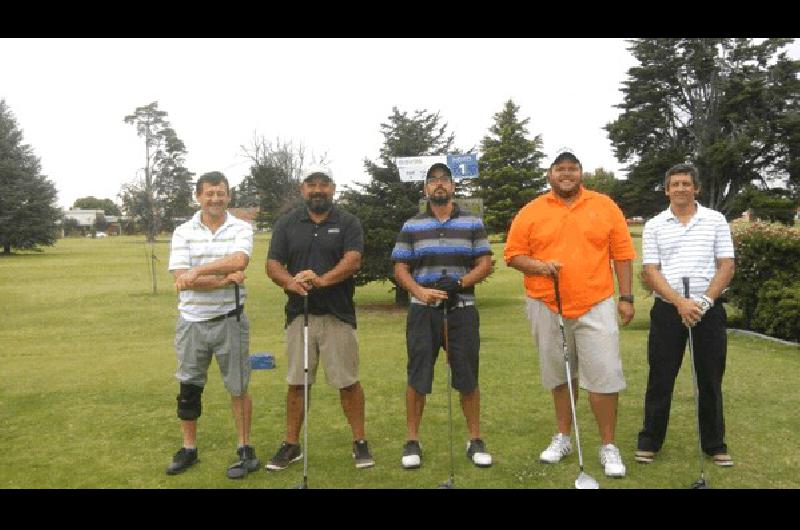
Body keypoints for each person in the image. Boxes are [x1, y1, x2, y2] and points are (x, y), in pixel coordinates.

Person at [504, 150, 636, 478]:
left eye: (572, 169)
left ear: (581, 173)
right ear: (550, 175)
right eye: (560, 169)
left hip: (596, 302)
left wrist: (627, 297)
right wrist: (538, 266)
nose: (567, 174)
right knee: (560, 374)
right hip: (547, 304)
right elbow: (513, 254)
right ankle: (563, 436)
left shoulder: (604, 205)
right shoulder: (531, 211)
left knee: (604, 375)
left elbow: (622, 253)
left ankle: (608, 445)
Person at [264, 164, 374, 470]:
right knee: (297, 383)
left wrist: (321, 281)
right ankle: (291, 444)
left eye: (323, 185)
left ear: (333, 189)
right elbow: (273, 263)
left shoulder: (347, 222)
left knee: (348, 382)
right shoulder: (288, 223)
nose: (317, 190)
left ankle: (360, 442)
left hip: (337, 314)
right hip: (300, 314)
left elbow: (353, 260)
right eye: (311, 185)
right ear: (303, 190)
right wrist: (291, 283)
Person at [391, 162, 494, 470]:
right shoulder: (411, 226)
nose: (439, 184)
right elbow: (400, 268)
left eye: (444, 180)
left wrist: (461, 283)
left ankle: (474, 439)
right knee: (418, 374)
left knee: (467, 376)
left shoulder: (472, 223)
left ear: (453, 187)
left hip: (461, 311)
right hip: (424, 312)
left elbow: (485, 263)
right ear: (425, 189)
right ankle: (412, 440)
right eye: (433, 180)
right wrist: (419, 292)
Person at [635, 163, 736, 467]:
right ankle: (650, 441)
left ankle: (715, 444)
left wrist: (703, 302)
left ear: (697, 188)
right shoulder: (654, 225)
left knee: (709, 379)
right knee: (660, 378)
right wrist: (680, 302)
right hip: (668, 310)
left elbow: (727, 265)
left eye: (686, 184)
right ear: (667, 190)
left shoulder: (715, 220)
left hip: (709, 311)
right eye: (675, 184)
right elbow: (651, 270)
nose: (680, 188)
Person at [166, 171, 259, 479]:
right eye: (209, 193)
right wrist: (221, 280)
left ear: (228, 196)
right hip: (191, 323)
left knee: (238, 386)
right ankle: (189, 449)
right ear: (198, 196)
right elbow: (181, 277)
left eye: (221, 193)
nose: (215, 198)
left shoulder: (242, 228)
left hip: (230, 320)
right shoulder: (182, 232)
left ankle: (245, 447)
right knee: (189, 388)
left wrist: (198, 273)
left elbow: (239, 261)